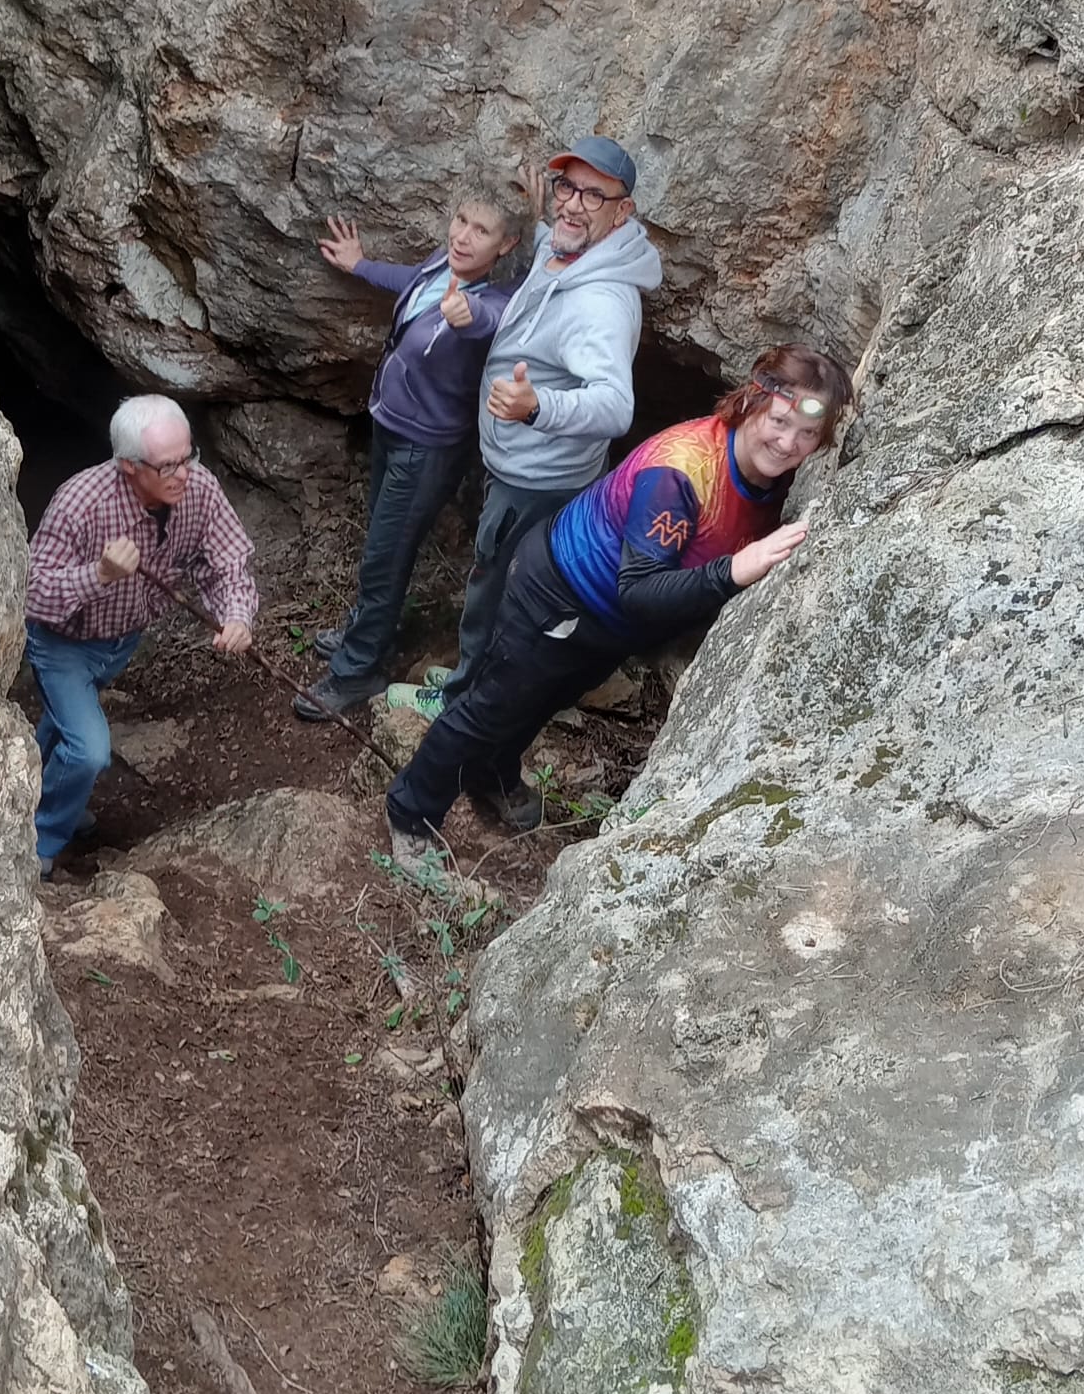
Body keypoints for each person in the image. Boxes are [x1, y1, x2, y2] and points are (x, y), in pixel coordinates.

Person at [382, 345, 854, 867]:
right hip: (559, 593)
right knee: (491, 705)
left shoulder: (775, 475)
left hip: (608, 624)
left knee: (544, 699)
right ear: (750, 402)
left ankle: (492, 773)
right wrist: (735, 569)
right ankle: (410, 812)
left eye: (807, 433)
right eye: (779, 421)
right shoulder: (680, 473)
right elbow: (640, 590)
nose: (788, 443)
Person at [385, 134, 662, 723]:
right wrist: (540, 218)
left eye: (594, 195)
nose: (573, 204)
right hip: (530, 466)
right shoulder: (567, 250)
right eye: (567, 187)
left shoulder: (602, 303)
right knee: (509, 580)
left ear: (623, 211)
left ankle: (460, 700)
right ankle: (476, 678)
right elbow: (550, 254)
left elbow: (616, 406)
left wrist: (538, 407)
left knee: (494, 586)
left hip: (535, 480)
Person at [295, 174, 528, 721]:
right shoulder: (442, 263)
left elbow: (487, 321)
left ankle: (357, 670)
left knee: (386, 556)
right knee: (383, 543)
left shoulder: (498, 301)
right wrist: (361, 265)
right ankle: (365, 630)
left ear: (507, 245)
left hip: (426, 449)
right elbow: (413, 283)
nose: (463, 236)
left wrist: (467, 318)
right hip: (393, 427)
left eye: (481, 230)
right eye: (461, 220)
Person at [24, 394, 256, 879]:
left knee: (64, 724)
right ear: (129, 466)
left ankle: (49, 793)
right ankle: (40, 843)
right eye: (168, 465)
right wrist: (99, 574)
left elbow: (228, 560)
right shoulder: (80, 503)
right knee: (89, 749)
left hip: (121, 640)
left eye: (188, 456)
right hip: (64, 642)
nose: (183, 474)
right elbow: (33, 594)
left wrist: (236, 616)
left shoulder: (199, 489)